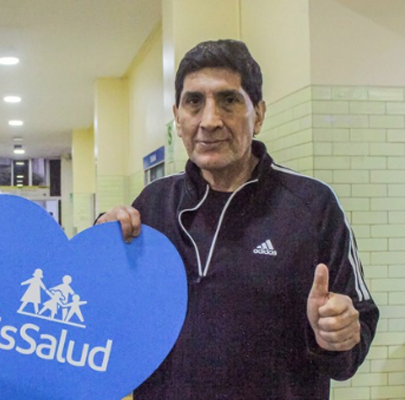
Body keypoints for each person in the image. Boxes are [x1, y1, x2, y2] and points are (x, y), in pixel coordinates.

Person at [96, 39, 379, 399]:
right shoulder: (153, 205)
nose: (209, 121)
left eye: (228, 101)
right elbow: (108, 315)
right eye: (194, 102)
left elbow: (355, 334)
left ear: (258, 115)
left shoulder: (312, 206)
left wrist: (337, 336)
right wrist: (98, 249)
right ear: (178, 118)